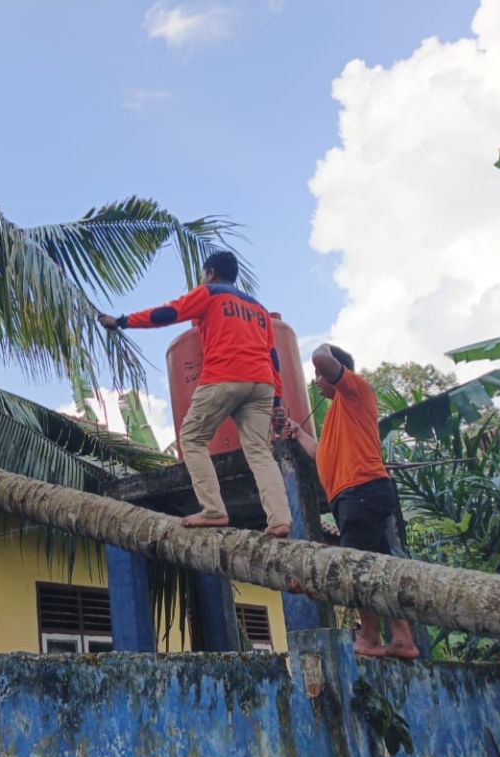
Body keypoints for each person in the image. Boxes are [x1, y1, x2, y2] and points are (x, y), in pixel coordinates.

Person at [98, 251, 291, 537]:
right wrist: (277, 401)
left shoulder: (209, 294)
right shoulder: (260, 309)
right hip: (262, 383)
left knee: (191, 437)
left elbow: (168, 313)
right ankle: (280, 520)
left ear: (210, 273)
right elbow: (274, 356)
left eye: (203, 275)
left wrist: (123, 321)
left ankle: (213, 509)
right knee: (261, 453)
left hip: (224, 376)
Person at [283, 343, 420, 659]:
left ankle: (370, 638)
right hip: (355, 496)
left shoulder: (355, 391)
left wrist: (322, 354)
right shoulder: (336, 417)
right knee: (378, 568)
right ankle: (402, 638)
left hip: (361, 491)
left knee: (357, 568)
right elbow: (324, 456)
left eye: (320, 375)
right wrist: (298, 433)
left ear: (336, 371)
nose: (316, 380)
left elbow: (322, 357)